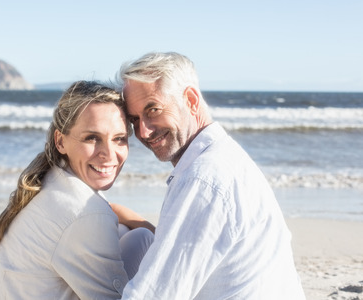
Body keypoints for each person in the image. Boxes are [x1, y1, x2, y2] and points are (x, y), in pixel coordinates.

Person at [116, 52, 306, 299]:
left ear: (191, 100)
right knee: (127, 235)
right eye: (134, 119)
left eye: (153, 109)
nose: (143, 131)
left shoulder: (203, 178)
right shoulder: (224, 157)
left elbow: (153, 295)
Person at [0, 81, 154, 299]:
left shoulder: (49, 181)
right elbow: (92, 217)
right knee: (143, 239)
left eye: (119, 139)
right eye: (92, 138)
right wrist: (156, 235)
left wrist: (143, 224)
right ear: (60, 141)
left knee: (126, 232)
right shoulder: (85, 214)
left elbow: (107, 211)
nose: (109, 154)